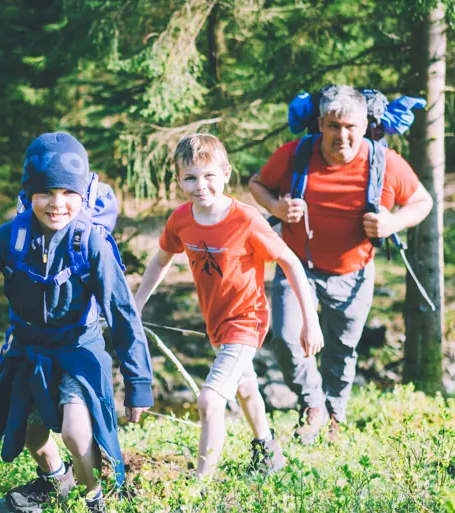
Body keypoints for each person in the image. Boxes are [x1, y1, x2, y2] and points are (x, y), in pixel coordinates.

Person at [0, 132, 154, 513]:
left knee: (74, 429)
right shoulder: (11, 238)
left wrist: (138, 382)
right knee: (29, 433)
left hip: (78, 349)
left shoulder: (92, 243)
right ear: (28, 194)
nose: (57, 204)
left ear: (83, 195)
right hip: (29, 348)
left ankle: (94, 503)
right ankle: (57, 481)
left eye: (68, 194)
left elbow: (122, 312)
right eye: (45, 193)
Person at [248, 85, 433, 444]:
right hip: (297, 266)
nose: (342, 135)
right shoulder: (295, 155)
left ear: (365, 126)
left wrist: (393, 223)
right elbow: (257, 185)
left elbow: (422, 201)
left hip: (355, 273)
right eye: (333, 126)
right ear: (321, 123)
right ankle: (312, 404)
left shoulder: (384, 163)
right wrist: (276, 208)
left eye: (350, 127)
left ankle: (335, 415)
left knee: (341, 348)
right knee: (287, 340)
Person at [134, 133, 323, 480]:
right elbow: (161, 259)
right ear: (178, 180)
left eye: (208, 176)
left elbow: (291, 262)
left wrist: (310, 321)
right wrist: (136, 305)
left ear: (225, 173)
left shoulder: (246, 220)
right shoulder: (180, 220)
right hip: (216, 322)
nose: (200, 185)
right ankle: (266, 448)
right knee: (245, 386)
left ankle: (200, 488)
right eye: (190, 177)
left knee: (209, 401)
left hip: (247, 320)